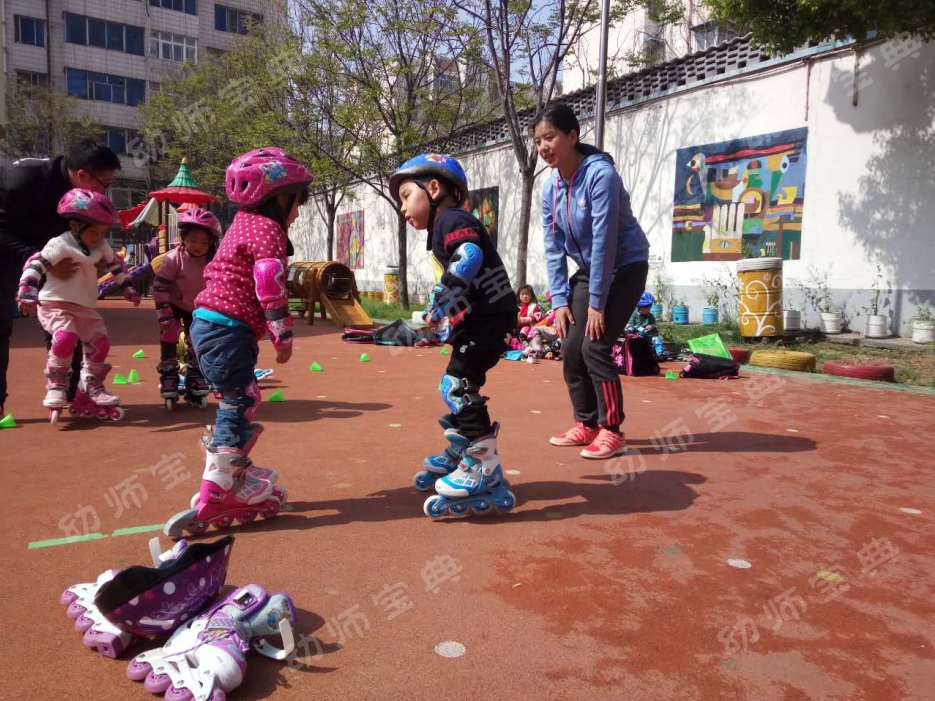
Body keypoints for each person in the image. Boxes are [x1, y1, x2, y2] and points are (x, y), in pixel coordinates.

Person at [164, 147, 312, 537]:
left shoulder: (242, 223)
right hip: (228, 330)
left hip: (208, 326)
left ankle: (231, 470)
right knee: (239, 402)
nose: (297, 213)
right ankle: (218, 488)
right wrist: (282, 333)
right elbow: (268, 278)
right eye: (297, 204)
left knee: (241, 398)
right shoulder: (269, 230)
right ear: (280, 198)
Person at [390, 153, 518, 519]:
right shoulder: (442, 225)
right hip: (483, 317)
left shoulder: (451, 218)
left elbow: (469, 254)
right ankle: (463, 448)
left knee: (458, 386)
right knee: (454, 384)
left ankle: (483, 465)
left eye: (405, 196)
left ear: (433, 188)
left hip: (489, 317)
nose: (402, 208)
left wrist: (442, 297)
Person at [536, 104, 650, 459]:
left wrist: (597, 303)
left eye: (550, 136)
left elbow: (604, 243)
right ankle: (586, 424)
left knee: (595, 346)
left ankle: (612, 430)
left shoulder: (602, 177)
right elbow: (553, 248)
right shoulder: (550, 189)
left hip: (625, 266)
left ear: (573, 136)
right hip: (589, 271)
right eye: (538, 140)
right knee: (570, 346)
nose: (543, 146)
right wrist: (559, 301)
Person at [0, 140, 121, 415]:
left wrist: (94, 261)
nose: (107, 190)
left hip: (47, 254)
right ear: (82, 176)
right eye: (106, 183)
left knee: (71, 317)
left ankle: (68, 394)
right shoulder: (23, 181)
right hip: (8, 248)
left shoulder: (81, 198)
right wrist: (43, 261)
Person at [16, 189, 140, 422]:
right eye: (93, 231)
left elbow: (116, 266)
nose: (98, 237)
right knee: (65, 338)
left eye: (103, 232)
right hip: (55, 303)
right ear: (75, 226)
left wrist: (128, 287)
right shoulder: (60, 243)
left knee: (100, 343)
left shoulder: (100, 245)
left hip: (84, 306)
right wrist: (27, 290)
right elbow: (36, 265)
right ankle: (56, 383)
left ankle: (91, 386)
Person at [153, 207, 221, 410]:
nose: (199, 246)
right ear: (183, 239)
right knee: (170, 335)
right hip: (173, 304)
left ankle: (195, 376)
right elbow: (159, 286)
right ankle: (169, 375)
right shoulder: (174, 257)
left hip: (198, 306)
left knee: (198, 341)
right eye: (193, 241)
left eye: (204, 242)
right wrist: (164, 315)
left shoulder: (213, 259)